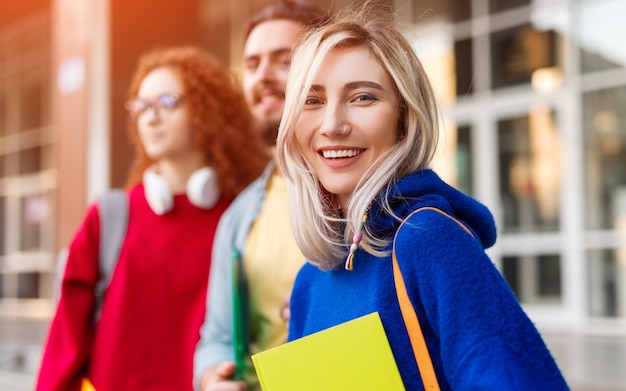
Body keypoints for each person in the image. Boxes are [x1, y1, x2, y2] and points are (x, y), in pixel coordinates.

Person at [275, 5, 570, 390]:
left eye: (362, 97)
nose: (332, 125)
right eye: (312, 101)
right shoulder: (309, 284)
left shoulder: (426, 238)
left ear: (403, 118)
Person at [36, 46, 268, 391]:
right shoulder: (109, 217)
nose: (150, 117)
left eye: (168, 102)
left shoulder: (244, 218)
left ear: (209, 110)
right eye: (141, 106)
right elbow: (65, 343)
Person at [193, 1, 329, 390]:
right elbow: (216, 338)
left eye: (283, 60)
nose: (262, 77)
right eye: (251, 65)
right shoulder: (239, 217)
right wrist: (210, 378)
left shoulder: (367, 198)